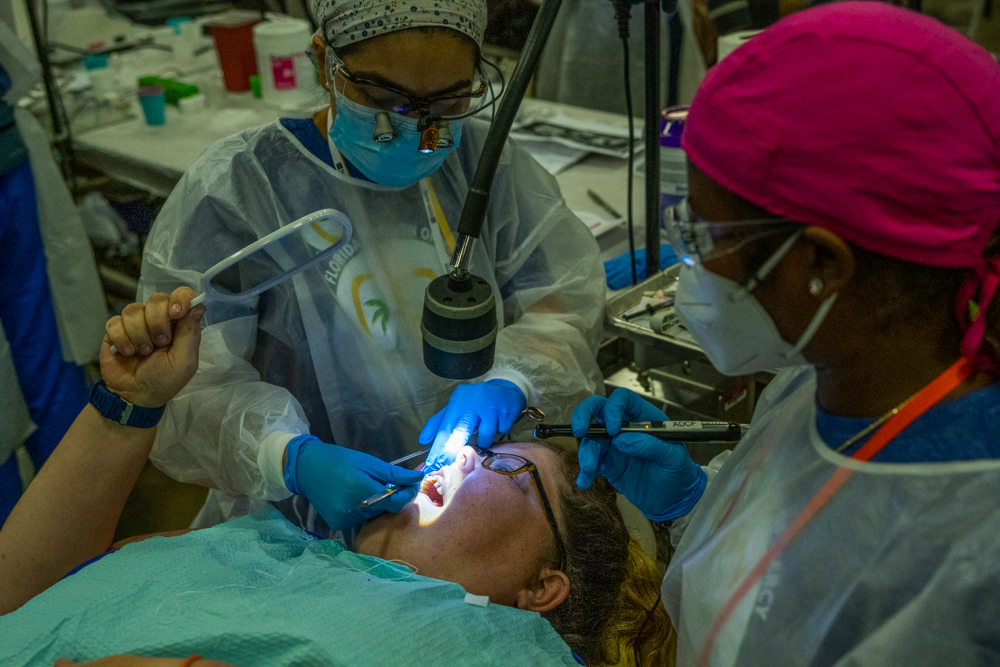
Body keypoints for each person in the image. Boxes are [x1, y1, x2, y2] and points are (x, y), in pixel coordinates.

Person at [571, 4, 1000, 665]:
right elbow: (793, 568)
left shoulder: (972, 548)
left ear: (822, 265)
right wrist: (695, 501)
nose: (689, 259)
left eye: (704, 234)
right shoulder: (823, 378)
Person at [135, 0, 605, 536]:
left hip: (471, 506)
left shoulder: (483, 163)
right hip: (293, 523)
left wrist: (515, 376)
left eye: (449, 100)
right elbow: (190, 382)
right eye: (384, 99)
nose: (416, 127)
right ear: (324, 64)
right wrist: (285, 456)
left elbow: (563, 301)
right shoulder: (242, 191)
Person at [0, 291, 669, 667]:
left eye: (505, 466)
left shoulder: (497, 652)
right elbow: (19, 598)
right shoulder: (267, 546)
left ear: (542, 585)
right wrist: (129, 405)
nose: (463, 453)